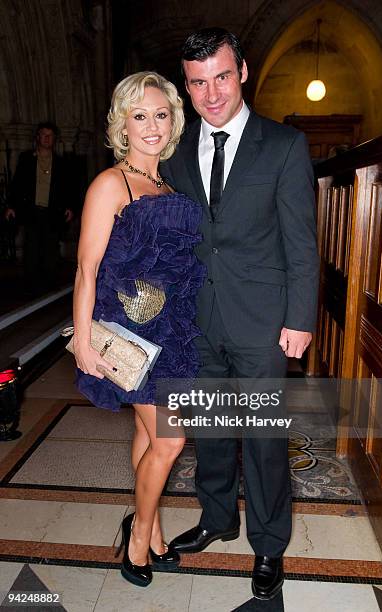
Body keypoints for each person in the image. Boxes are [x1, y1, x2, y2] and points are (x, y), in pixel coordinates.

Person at [161, 28, 319, 601]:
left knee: (264, 440)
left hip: (262, 320)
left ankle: (269, 543)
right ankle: (217, 517)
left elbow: (302, 243)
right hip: (199, 320)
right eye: (198, 82)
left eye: (221, 77)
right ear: (187, 85)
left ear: (243, 72)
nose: (211, 93)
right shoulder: (176, 152)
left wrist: (300, 318)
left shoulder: (283, 145)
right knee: (212, 431)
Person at [73, 72, 205, 587]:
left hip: (170, 333)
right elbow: (87, 269)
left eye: (161, 114)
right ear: (122, 124)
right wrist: (83, 341)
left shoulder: (167, 186)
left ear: (173, 121)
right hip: (128, 337)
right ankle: (138, 535)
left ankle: (147, 530)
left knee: (149, 434)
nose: (152, 125)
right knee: (171, 442)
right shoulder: (111, 184)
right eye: (140, 115)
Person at [5, 122, 74, 295]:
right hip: (32, 210)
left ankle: (50, 287)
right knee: (32, 249)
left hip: (52, 212)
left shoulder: (61, 162)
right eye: (43, 135)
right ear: (38, 137)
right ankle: (31, 287)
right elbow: (17, 184)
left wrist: (70, 207)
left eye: (50, 135)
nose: (47, 138)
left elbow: (68, 187)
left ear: (54, 139)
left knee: (51, 249)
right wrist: (11, 206)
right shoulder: (27, 159)